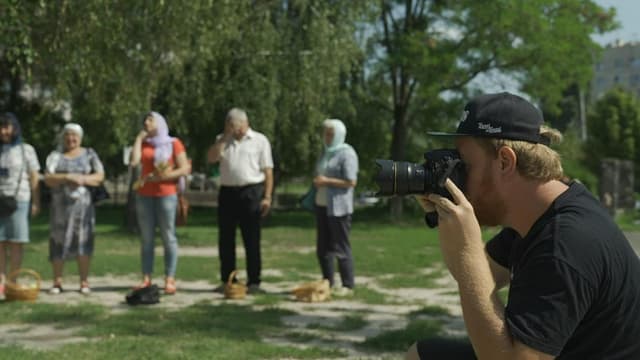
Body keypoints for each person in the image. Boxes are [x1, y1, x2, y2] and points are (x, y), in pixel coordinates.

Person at [407, 92, 640, 359]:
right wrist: (448, 222)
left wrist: (467, 251)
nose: (456, 178)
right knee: (422, 355)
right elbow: (480, 276)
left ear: (505, 161)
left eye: (464, 166)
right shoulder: (544, 211)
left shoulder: (564, 241)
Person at [207, 108, 273, 294]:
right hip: (228, 191)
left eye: (236, 125)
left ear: (244, 123)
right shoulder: (223, 139)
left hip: (251, 191)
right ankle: (228, 279)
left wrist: (267, 196)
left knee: (251, 238)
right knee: (226, 239)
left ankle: (254, 281)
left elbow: (268, 170)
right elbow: (211, 158)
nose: (234, 129)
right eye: (230, 125)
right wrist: (224, 138)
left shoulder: (260, 140)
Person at [130, 111, 190, 295]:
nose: (146, 123)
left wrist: (164, 176)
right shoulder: (145, 144)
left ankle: (169, 277)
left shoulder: (173, 143)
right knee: (147, 237)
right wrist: (139, 139)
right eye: (145, 120)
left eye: (150, 119)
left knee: (168, 236)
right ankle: (146, 277)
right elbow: (134, 162)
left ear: (160, 123)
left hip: (167, 194)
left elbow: (185, 168)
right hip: (144, 194)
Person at [44, 123, 105, 294]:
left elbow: (100, 176)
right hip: (59, 207)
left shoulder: (90, 154)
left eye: (74, 135)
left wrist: (83, 179)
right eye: (67, 135)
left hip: (83, 207)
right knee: (57, 240)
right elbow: (48, 177)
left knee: (83, 240)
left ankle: (84, 282)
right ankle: (57, 282)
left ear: (80, 137)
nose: (71, 139)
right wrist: (66, 177)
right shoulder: (56, 156)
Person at [312, 119, 358, 296]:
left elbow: (351, 181)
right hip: (322, 205)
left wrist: (326, 181)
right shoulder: (326, 152)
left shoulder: (347, 153)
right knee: (322, 247)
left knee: (340, 246)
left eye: (331, 134)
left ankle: (348, 285)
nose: (327, 137)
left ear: (339, 134)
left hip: (339, 208)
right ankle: (327, 282)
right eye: (326, 133)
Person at [0, 112, 40, 297]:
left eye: (7, 127)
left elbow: (34, 177)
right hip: (0, 199)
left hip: (20, 199)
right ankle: (1, 281)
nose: (3, 131)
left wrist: (36, 201)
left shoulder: (26, 149)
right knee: (0, 242)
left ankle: (12, 280)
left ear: (15, 128)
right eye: (1, 127)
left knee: (16, 242)